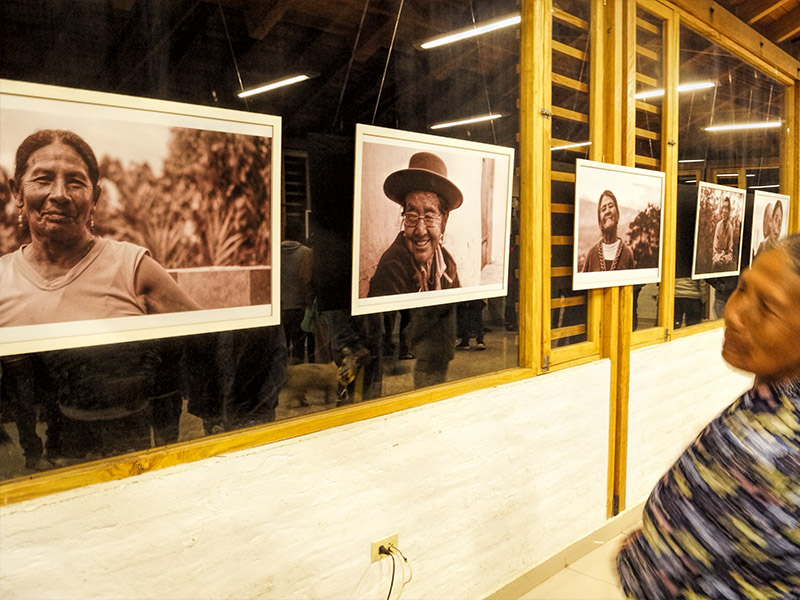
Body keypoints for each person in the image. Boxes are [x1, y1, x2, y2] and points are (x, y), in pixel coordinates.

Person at [0, 129, 201, 463]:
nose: (60, 194)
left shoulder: (133, 266)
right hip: (51, 454)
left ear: (95, 197)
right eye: (43, 179)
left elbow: (206, 343)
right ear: (17, 192)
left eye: (76, 182)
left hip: (132, 455)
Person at [617, 234, 800, 599]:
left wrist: (634, 553)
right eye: (743, 287)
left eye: (766, 307)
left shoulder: (757, 449)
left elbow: (650, 579)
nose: (732, 312)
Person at [368, 152, 462, 296]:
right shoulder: (391, 272)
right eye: (412, 216)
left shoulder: (447, 265)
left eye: (430, 216)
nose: (420, 230)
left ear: (444, 220)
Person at [581, 190, 634, 272]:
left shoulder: (627, 254)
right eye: (603, 209)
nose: (607, 211)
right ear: (599, 220)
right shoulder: (591, 255)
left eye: (611, 206)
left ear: (617, 215)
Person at [711, 195, 734, 271]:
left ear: (728, 211)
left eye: (726, 208)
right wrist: (719, 257)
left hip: (725, 258)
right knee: (715, 263)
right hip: (718, 257)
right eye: (723, 208)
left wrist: (725, 258)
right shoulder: (718, 226)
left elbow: (730, 250)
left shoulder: (730, 227)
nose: (724, 211)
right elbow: (715, 249)